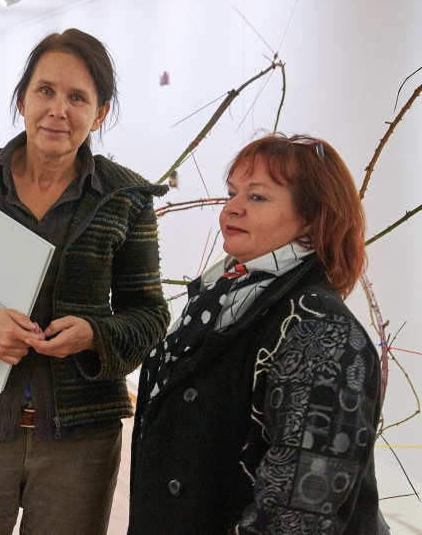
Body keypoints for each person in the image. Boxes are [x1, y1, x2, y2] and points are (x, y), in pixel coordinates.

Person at [0, 29, 170, 534]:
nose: (58, 110)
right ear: (22, 98)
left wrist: (95, 335)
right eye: (46, 90)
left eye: (78, 97)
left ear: (100, 113)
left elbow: (150, 314)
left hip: (80, 444)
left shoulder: (125, 199)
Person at [129, 134, 384, 534]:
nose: (232, 208)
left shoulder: (321, 330)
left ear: (311, 218)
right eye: (233, 192)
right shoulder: (221, 296)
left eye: (258, 197)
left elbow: (300, 510)